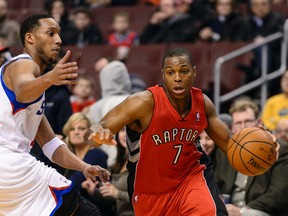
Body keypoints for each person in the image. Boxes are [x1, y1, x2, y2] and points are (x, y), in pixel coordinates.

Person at [86, 47, 240, 215]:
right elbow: (95, 130)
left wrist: (268, 152)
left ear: (194, 72)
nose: (178, 78)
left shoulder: (203, 103)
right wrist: (98, 134)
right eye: (170, 72)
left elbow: (231, 147)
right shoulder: (143, 102)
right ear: (163, 74)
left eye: (184, 71)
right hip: (149, 190)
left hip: (190, 179)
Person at [0, 14, 110, 215]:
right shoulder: (23, 64)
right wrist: (51, 78)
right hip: (10, 163)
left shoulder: (37, 92)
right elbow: (23, 90)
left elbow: (51, 145)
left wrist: (83, 166)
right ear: (30, 38)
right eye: (50, 33)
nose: (58, 40)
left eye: (59, 34)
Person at [214, 98, 288, 216]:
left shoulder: (278, 148)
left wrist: (243, 212)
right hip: (229, 210)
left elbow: (279, 193)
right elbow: (216, 184)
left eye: (248, 121)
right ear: (232, 127)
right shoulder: (225, 151)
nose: (243, 126)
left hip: (260, 211)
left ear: (259, 122)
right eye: (238, 123)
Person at [87, 60, 132, 166]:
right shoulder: (136, 101)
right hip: (132, 158)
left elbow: (91, 136)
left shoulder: (97, 106)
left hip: (106, 159)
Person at [82, 128, 134, 216]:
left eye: (129, 130)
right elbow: (111, 201)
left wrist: (118, 193)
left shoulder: (142, 164)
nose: (125, 134)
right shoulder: (115, 166)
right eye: (122, 130)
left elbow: (146, 198)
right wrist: (95, 191)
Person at [62, 113, 108, 194]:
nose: (76, 132)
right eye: (72, 129)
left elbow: (77, 179)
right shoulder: (69, 155)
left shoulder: (96, 154)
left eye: (81, 128)